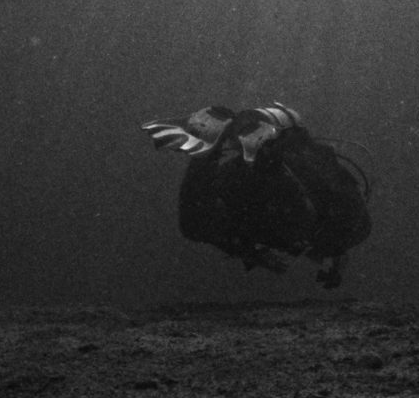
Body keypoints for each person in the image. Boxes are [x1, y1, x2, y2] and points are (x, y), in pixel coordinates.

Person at [144, 102, 371, 288]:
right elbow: (353, 221)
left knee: (199, 221)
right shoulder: (321, 164)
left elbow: (194, 223)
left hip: (271, 218)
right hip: (292, 221)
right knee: (208, 216)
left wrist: (248, 251)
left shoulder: (250, 172)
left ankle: (212, 156)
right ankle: (240, 155)